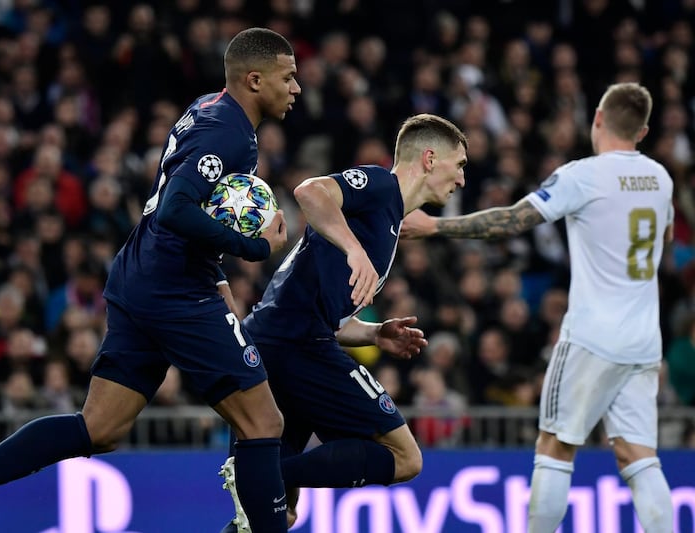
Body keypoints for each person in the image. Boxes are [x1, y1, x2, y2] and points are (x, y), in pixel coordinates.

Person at [0, 27, 299, 533]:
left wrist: (217, 270)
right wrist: (254, 247)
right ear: (254, 78)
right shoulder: (228, 132)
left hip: (146, 275)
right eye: (288, 77)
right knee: (265, 423)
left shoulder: (211, 108)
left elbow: (181, 205)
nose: (296, 88)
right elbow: (176, 208)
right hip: (174, 289)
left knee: (101, 427)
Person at [400, 82, 674, 533]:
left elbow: (511, 220)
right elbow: (662, 239)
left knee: (554, 446)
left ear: (598, 119)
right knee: (639, 456)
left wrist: (435, 226)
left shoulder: (582, 175)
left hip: (591, 335)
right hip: (643, 338)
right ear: (643, 131)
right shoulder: (660, 179)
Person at [219, 113, 468, 532]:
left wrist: (373, 333)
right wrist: (354, 249)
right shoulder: (380, 186)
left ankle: (265, 478)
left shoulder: (388, 222)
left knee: (272, 518)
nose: (461, 179)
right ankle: (266, 474)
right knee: (406, 458)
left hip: (277, 340)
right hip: (297, 344)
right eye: (459, 165)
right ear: (429, 158)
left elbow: (324, 311)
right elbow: (310, 191)